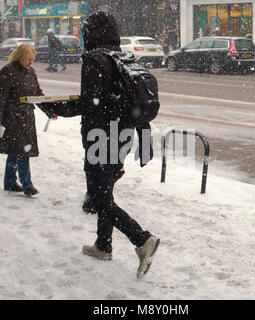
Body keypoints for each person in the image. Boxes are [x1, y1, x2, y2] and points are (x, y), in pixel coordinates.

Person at [50, 11, 160, 279]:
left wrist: (53, 106)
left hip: (101, 138)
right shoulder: (123, 58)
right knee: (104, 191)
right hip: (123, 136)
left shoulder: (94, 60)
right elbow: (122, 101)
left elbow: (90, 104)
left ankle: (142, 239)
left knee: (99, 198)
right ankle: (103, 245)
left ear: (91, 33)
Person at [0, 44, 57, 196]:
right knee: (23, 150)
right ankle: (27, 185)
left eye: (33, 59)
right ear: (20, 56)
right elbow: (0, 97)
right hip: (12, 118)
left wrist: (49, 111)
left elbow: (37, 94)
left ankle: (10, 182)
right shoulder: (7, 72)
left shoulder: (31, 72)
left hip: (26, 118)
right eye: (28, 59)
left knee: (15, 151)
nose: (31, 62)